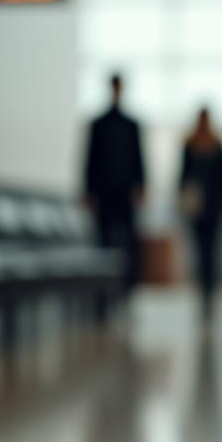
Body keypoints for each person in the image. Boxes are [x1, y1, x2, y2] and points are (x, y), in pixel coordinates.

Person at [84, 73, 145, 294]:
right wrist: (88, 190)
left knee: (129, 240)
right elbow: (90, 158)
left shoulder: (131, 125)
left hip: (125, 191)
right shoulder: (99, 124)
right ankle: (102, 287)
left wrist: (141, 186)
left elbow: (139, 158)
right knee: (102, 239)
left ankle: (128, 286)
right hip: (104, 191)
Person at [178, 107, 222, 321]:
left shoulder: (216, 144)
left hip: (214, 208)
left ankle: (209, 293)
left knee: (211, 252)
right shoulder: (190, 144)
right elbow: (182, 176)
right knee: (201, 252)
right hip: (197, 208)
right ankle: (204, 292)